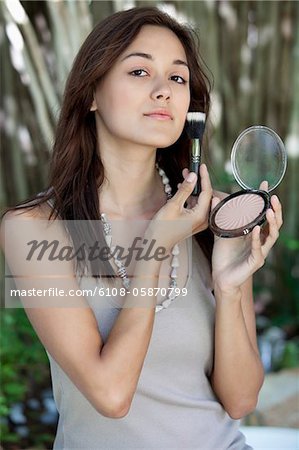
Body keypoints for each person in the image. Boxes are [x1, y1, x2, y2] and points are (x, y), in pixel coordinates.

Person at [1, 6, 283, 449]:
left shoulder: (214, 217)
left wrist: (230, 287)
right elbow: (111, 396)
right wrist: (155, 248)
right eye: (138, 71)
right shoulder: (33, 229)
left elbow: (242, 399)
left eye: (177, 78)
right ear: (91, 92)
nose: (163, 91)